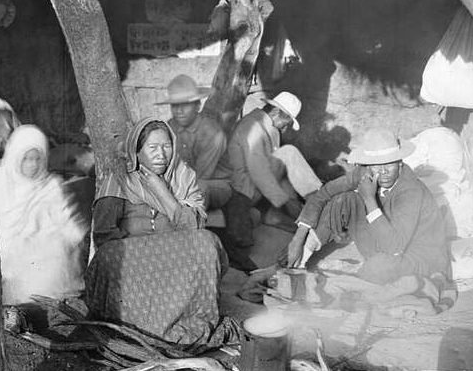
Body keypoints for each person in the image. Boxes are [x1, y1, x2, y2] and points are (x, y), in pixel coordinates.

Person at [87, 118, 230, 347]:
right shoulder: (120, 180)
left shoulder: (184, 177)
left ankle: (192, 320)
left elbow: (193, 228)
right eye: (152, 148)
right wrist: (146, 252)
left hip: (176, 265)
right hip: (135, 266)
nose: (161, 154)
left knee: (207, 242)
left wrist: (161, 191)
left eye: (166, 146)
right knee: (110, 255)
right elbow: (104, 234)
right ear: (137, 151)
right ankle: (136, 325)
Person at [284, 127, 451, 285]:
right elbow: (324, 193)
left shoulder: (411, 190)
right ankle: (297, 263)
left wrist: (369, 198)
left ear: (400, 163)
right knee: (344, 200)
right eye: (377, 164)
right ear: (368, 165)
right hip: (383, 241)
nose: (383, 171)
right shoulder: (365, 173)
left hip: (417, 256)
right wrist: (298, 240)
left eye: (390, 163)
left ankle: (357, 275)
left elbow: (394, 246)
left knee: (380, 268)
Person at [220, 91, 322, 271]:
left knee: (286, 156)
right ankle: (317, 202)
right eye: (287, 122)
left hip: (255, 188)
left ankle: (316, 205)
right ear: (276, 112)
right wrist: (287, 202)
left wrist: (289, 201)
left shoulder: (271, 127)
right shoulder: (252, 127)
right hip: (239, 188)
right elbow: (259, 172)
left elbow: (276, 171)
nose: (286, 128)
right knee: (287, 153)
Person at [0, 125, 88, 305]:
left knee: (53, 252)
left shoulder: (51, 185)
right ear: (16, 157)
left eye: (37, 159)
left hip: (46, 255)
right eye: (27, 159)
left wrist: (74, 237)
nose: (33, 165)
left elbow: (65, 220)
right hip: (10, 257)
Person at [156, 74, 231, 210]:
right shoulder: (169, 127)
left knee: (199, 188)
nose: (179, 111)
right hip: (180, 182)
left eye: (185, 105)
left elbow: (199, 176)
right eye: (174, 106)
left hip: (215, 185)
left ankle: (189, 225)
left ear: (197, 106)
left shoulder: (213, 134)